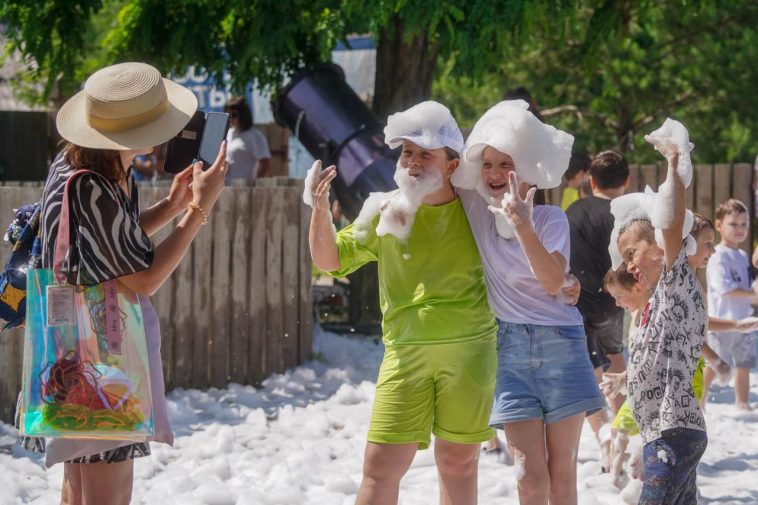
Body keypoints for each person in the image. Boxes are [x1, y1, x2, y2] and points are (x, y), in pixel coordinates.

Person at [19, 62, 227, 505]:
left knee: (77, 490)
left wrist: (171, 206)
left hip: (71, 357)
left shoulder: (81, 165)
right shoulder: (93, 186)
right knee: (106, 495)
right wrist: (198, 210)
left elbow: (113, 246)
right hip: (99, 366)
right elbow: (144, 280)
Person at [307, 101, 498, 505]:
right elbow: (329, 260)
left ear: (451, 164)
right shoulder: (383, 210)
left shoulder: (477, 210)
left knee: (458, 463)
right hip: (404, 353)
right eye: (407, 152)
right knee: (379, 467)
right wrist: (319, 209)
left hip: (471, 352)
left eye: (425, 153)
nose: (412, 161)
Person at [453, 99, 604, 505]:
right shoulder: (477, 210)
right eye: (487, 164)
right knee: (528, 476)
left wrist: (521, 222)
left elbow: (553, 281)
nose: (494, 173)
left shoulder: (551, 219)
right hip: (510, 351)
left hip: (562, 346)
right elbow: (439, 173)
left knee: (562, 472)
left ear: (525, 167)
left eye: (506, 163)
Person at [613, 126, 707, 504]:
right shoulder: (653, 305)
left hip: (673, 432)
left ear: (658, 246)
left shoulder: (674, 281)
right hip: (662, 434)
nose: (628, 264)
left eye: (631, 253)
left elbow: (671, 221)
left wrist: (673, 162)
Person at [566, 150, 630, 471]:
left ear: (590, 181)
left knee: (590, 373)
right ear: (627, 181)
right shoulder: (625, 216)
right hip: (614, 302)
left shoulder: (573, 211)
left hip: (579, 304)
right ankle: (623, 429)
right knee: (615, 359)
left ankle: (604, 436)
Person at [705, 199, 757, 410]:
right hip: (723, 324)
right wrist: (753, 294)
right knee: (714, 365)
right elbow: (726, 289)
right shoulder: (717, 255)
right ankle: (699, 402)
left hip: (746, 321)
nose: (740, 229)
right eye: (733, 224)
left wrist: (753, 291)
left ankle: (742, 403)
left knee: (744, 365)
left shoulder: (742, 255)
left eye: (744, 224)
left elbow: (746, 288)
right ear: (719, 225)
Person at [224, 95, 272, 182]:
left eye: (234, 115)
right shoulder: (228, 133)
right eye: (228, 115)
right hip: (225, 187)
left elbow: (265, 163)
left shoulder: (255, 136)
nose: (230, 119)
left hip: (244, 188)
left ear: (243, 115)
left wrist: (254, 185)